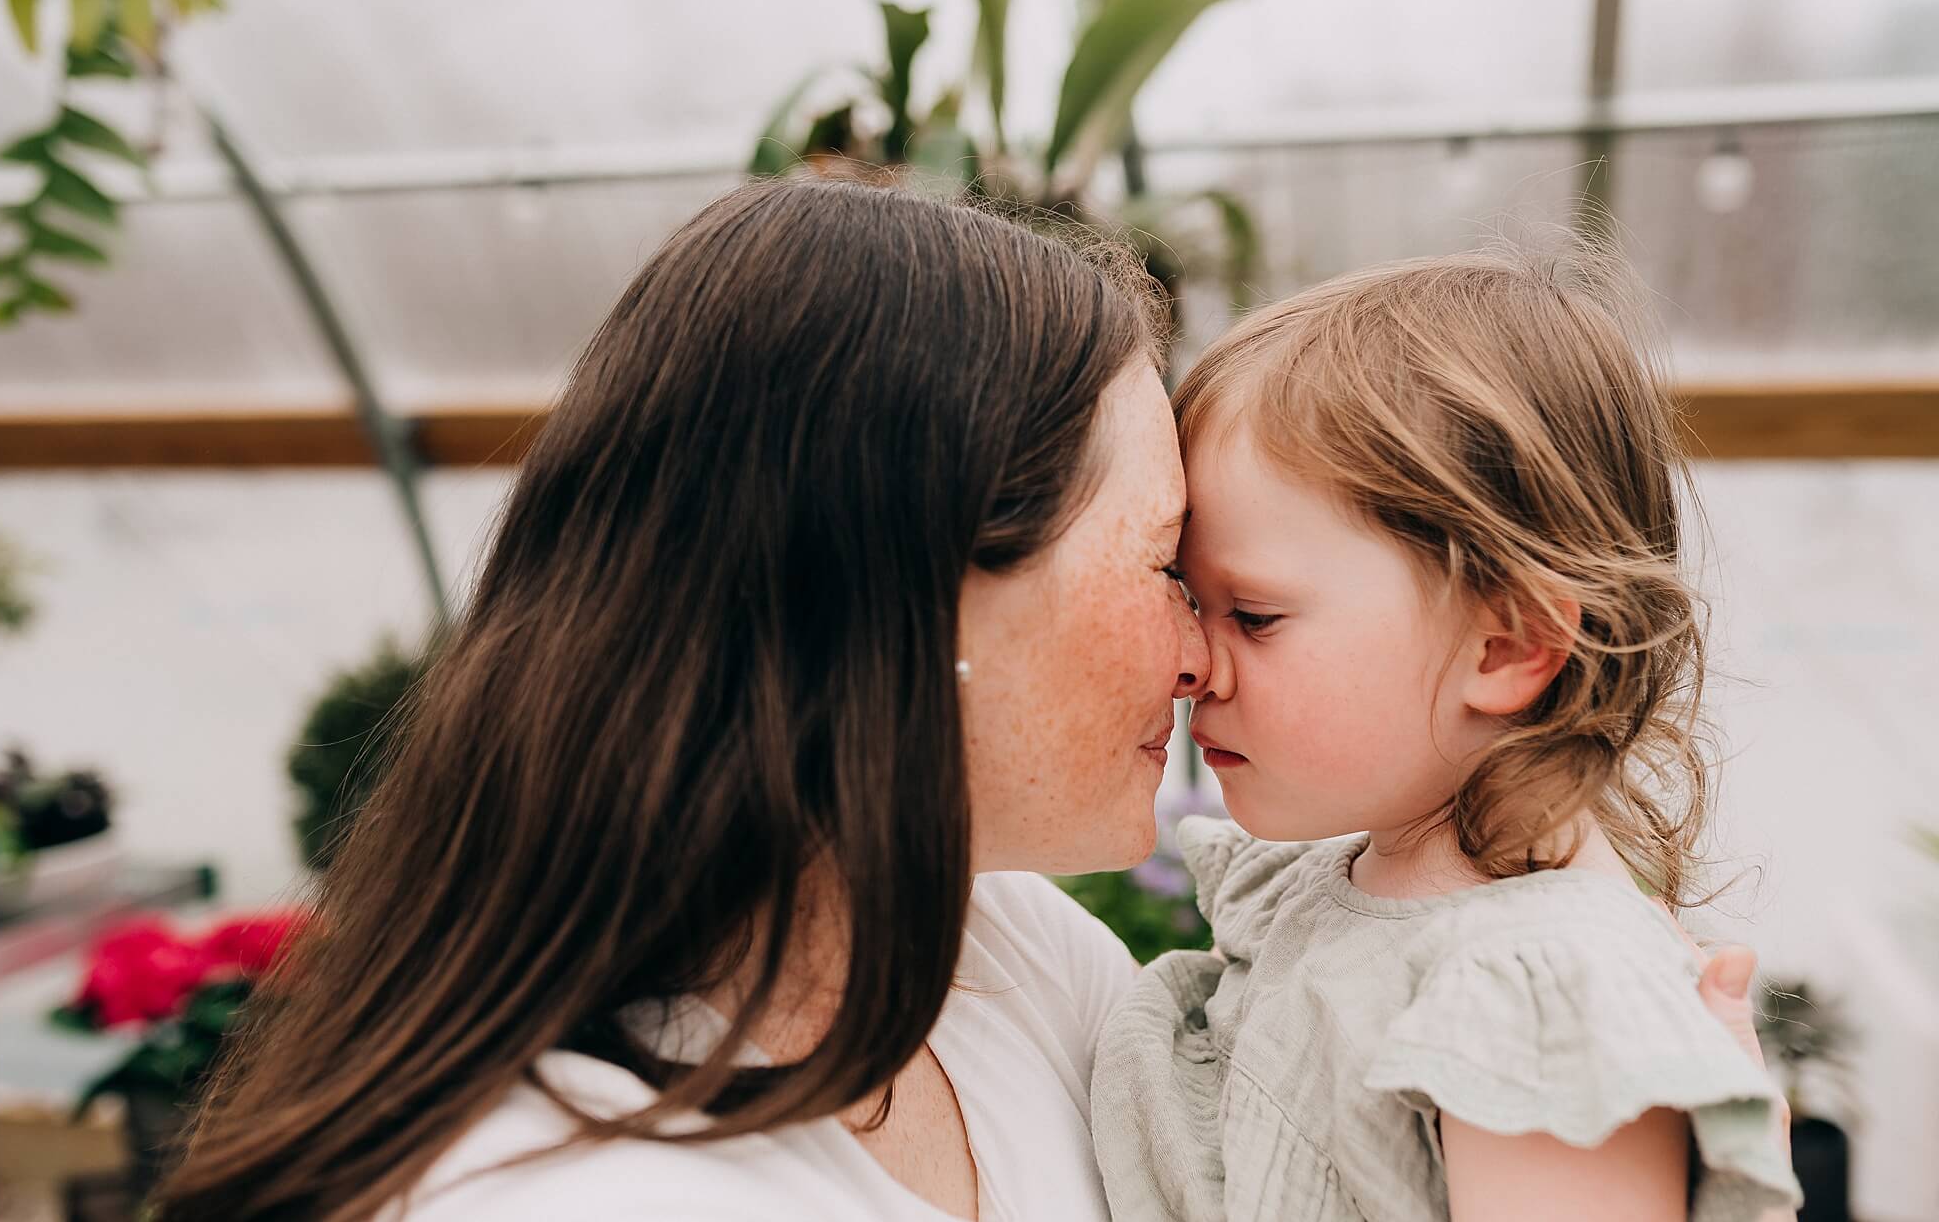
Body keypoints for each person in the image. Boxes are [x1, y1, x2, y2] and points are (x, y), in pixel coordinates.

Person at [155, 182, 1781, 1222]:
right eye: (1168, 571)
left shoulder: (1012, 964)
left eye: (1247, 603)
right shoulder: (546, 1193)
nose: (1198, 656)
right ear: (912, 599)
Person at [1092, 246, 1802, 1222]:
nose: (1193, 661)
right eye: (1186, 598)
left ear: (1507, 646)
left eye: (1251, 617)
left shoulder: (1545, 1000)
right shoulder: (1341, 891)